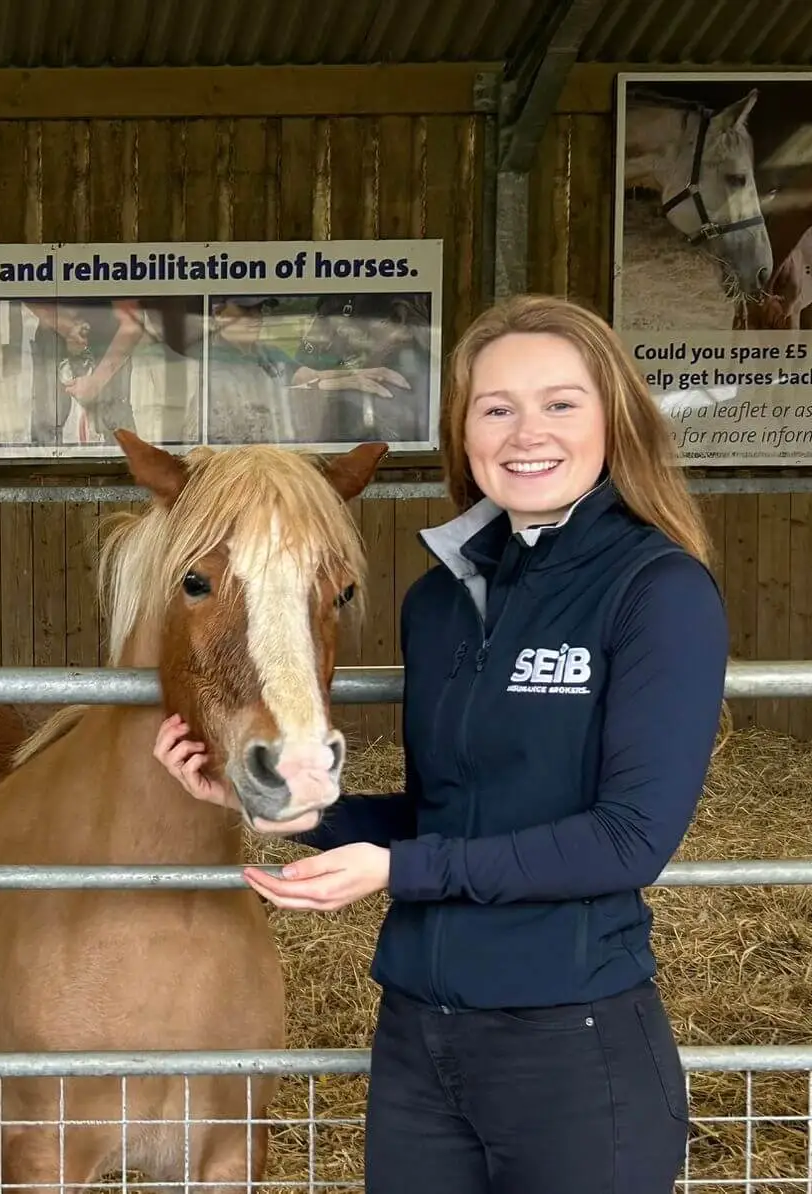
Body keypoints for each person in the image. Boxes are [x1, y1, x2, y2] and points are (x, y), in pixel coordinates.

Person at [153, 293, 727, 1193]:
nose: (525, 432)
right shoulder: (438, 604)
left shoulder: (658, 590)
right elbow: (441, 814)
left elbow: (629, 840)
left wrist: (397, 874)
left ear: (613, 418)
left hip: (571, 1045)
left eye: (560, 403)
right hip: (420, 1040)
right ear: (463, 433)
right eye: (495, 408)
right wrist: (295, 810)